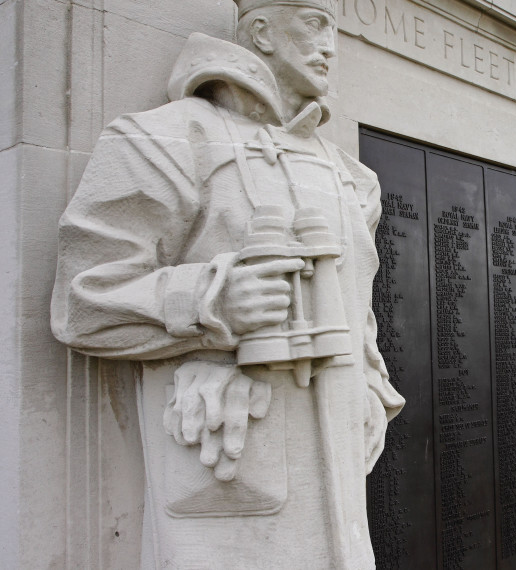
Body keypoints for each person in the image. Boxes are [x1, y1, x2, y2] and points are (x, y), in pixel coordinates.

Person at [51, 0, 404, 567]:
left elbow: (358, 306)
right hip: (225, 481)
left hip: (342, 495)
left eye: (334, 30)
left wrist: (371, 387)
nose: (329, 47)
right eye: (314, 24)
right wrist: (212, 301)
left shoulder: (351, 177)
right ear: (261, 31)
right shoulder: (165, 139)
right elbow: (82, 298)